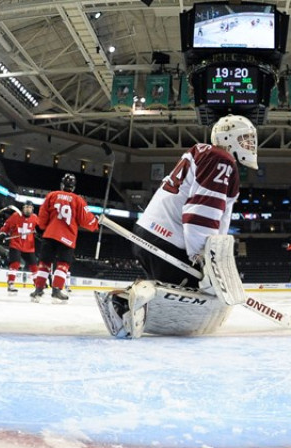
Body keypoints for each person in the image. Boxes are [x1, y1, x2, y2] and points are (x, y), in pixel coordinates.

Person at [95, 114, 258, 338]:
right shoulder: (221, 160)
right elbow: (200, 213)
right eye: (245, 138)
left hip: (152, 234)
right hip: (167, 240)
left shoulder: (204, 154)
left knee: (178, 288)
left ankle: (134, 301)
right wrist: (203, 257)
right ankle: (125, 302)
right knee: (198, 294)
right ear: (228, 137)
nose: (250, 144)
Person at [31, 174, 98, 303]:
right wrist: (95, 224)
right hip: (67, 237)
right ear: (73, 187)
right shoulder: (78, 200)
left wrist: (42, 227)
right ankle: (56, 290)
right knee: (63, 264)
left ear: (62, 184)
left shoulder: (52, 195)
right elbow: (86, 219)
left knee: (44, 263)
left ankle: (38, 290)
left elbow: (43, 214)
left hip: (50, 234)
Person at [0, 201, 39, 294]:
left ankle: (38, 286)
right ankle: (11, 283)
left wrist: (39, 232)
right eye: (26, 207)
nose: (27, 209)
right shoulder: (16, 216)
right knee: (15, 264)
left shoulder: (35, 218)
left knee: (34, 267)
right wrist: (2, 234)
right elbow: (6, 226)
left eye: (29, 207)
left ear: (32, 209)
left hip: (29, 246)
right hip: (16, 244)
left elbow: (40, 228)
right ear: (23, 208)